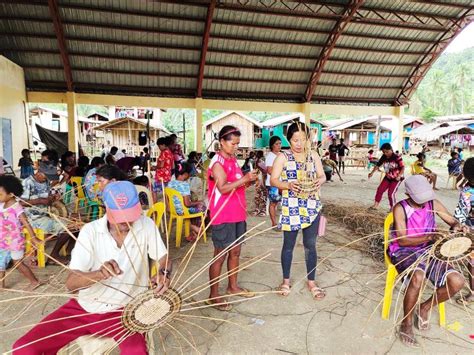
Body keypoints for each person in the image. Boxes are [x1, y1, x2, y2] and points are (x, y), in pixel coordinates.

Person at [13, 181, 170, 354]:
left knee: (136, 351)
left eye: (129, 215)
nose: (126, 221)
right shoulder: (90, 232)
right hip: (83, 308)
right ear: (106, 208)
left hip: (124, 312)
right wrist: (99, 274)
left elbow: (164, 258)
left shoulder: (146, 225)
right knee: (24, 348)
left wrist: (164, 273)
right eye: (119, 216)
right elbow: (71, 283)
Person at [389, 175, 466, 347]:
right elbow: (402, 240)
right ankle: (406, 323)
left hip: (429, 249)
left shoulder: (433, 203)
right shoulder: (400, 208)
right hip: (404, 251)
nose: (423, 202)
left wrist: (458, 227)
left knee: (457, 281)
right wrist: (431, 235)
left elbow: (452, 221)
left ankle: (424, 307)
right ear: (408, 194)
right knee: (418, 276)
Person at [270, 122, 326, 299]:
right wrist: (287, 185)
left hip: (312, 206)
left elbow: (322, 175)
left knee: (310, 245)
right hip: (291, 206)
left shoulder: (314, 155)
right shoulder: (283, 157)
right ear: (289, 139)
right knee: (288, 246)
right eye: (295, 140)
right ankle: (285, 281)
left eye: (303, 139)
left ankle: (312, 282)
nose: (299, 144)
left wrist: (321, 181)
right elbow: (273, 180)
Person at [207, 125, 258, 311]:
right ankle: (213, 295)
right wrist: (244, 180)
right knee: (220, 255)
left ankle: (232, 286)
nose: (236, 147)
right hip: (223, 214)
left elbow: (237, 186)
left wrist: (249, 181)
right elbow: (222, 188)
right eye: (232, 143)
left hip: (237, 213)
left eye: (237, 143)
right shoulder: (217, 163)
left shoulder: (232, 160)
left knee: (235, 252)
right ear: (221, 142)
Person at [0, 175, 41, 290]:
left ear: (11, 194)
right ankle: (1, 285)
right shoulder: (1, 204)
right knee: (1, 261)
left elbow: (26, 223)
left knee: (17, 262)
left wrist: (33, 237)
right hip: (3, 240)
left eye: (0, 194)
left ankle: (34, 281)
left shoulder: (16, 207)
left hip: (14, 241)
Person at [168, 162, 207, 242]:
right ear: (185, 174)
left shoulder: (170, 183)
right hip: (183, 211)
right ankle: (197, 230)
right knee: (203, 208)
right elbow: (187, 204)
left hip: (173, 210)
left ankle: (193, 229)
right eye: (188, 174)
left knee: (195, 208)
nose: (189, 176)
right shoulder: (184, 185)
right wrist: (198, 202)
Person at [454, 157, 474, 304]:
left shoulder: (467, 191)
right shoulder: (466, 190)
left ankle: (473, 293)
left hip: (472, 232)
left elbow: (460, 215)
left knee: (473, 263)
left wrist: (459, 226)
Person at [368, 143, 404, 209]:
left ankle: (392, 208)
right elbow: (378, 165)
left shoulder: (397, 157)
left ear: (391, 149)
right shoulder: (384, 157)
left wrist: (399, 176)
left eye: (387, 152)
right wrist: (372, 172)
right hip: (388, 177)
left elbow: (402, 167)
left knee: (390, 193)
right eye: (384, 152)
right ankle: (376, 205)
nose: (385, 153)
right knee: (380, 189)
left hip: (396, 178)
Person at [265, 136, 282, 226]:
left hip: (281, 183)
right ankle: (274, 223)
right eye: (276, 144)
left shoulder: (281, 155)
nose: (279, 145)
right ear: (272, 145)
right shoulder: (270, 156)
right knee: (273, 203)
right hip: (273, 184)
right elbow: (269, 170)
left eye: (280, 143)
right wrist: (281, 172)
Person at [251, 150, 267, 217]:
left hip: (262, 179)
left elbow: (265, 170)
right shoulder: (257, 160)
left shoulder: (260, 161)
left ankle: (262, 209)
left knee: (262, 194)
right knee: (258, 195)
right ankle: (258, 209)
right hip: (259, 179)